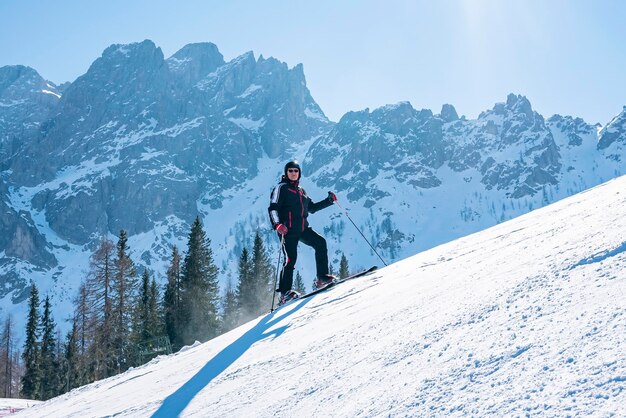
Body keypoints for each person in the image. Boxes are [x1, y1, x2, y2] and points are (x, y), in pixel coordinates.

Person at [268, 160, 337, 304]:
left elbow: (311, 208)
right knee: (290, 259)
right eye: (290, 171)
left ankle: (322, 277)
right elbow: (273, 208)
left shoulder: (301, 191)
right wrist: (278, 225)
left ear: (299, 173)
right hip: (287, 231)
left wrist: (329, 201)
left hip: (303, 229)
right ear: (286, 173)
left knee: (320, 243)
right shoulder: (281, 188)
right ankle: (285, 293)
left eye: (296, 171)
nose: (293, 173)